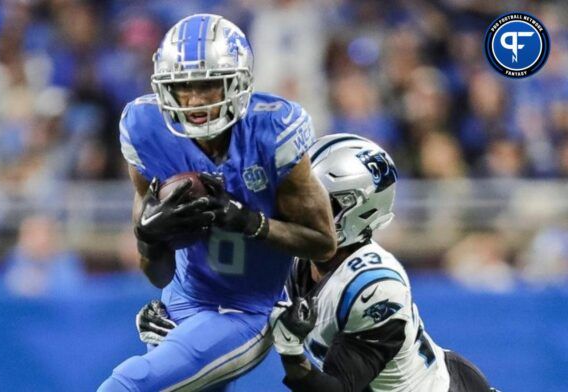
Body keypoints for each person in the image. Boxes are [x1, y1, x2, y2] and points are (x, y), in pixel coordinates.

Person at [138, 134, 496, 391]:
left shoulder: (375, 286)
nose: (300, 209)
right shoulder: (296, 256)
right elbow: (228, 303)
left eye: (318, 203)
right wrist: (176, 327)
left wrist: (293, 354)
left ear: (360, 210)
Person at [99, 13, 337, 392]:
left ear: (237, 82)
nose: (194, 101)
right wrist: (149, 237)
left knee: (128, 385)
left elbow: (323, 242)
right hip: (179, 303)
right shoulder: (145, 127)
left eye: (208, 85)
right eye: (183, 87)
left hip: (245, 310)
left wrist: (248, 221)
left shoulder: (273, 131)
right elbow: (157, 272)